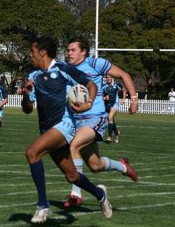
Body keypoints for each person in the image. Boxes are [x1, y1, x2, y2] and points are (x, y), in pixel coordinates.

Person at [22, 36, 112, 224]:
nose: (30, 55)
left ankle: (43, 205)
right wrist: (26, 95)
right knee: (71, 176)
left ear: (43, 52)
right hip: (48, 129)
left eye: (32, 52)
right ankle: (100, 194)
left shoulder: (63, 69)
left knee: (32, 152)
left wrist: (88, 103)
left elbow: (91, 84)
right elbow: (28, 109)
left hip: (65, 125)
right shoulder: (33, 76)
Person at [64, 37, 138, 209]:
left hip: (95, 117)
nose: (69, 53)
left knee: (73, 147)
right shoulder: (66, 69)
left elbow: (123, 75)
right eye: (67, 50)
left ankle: (75, 194)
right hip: (76, 120)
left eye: (72, 50)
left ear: (83, 52)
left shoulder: (96, 63)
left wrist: (134, 99)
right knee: (95, 166)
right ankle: (123, 166)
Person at [102, 75, 126, 143]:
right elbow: (100, 95)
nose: (108, 78)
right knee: (111, 120)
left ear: (112, 78)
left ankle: (109, 136)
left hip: (115, 104)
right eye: (107, 77)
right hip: (106, 105)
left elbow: (124, 89)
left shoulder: (116, 85)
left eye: (110, 77)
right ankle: (116, 133)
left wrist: (123, 99)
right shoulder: (103, 86)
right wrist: (104, 98)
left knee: (110, 117)